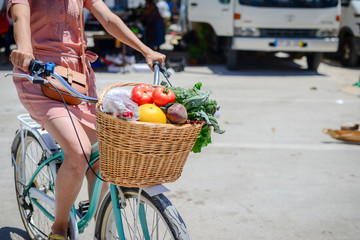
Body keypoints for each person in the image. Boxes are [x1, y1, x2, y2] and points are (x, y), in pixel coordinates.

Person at [7, 0, 165, 239]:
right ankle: (59, 228)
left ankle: (97, 217)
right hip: (39, 77)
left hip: (78, 79)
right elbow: (20, 18)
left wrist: (146, 50)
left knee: (102, 153)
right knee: (78, 152)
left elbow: (109, 19)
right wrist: (25, 52)